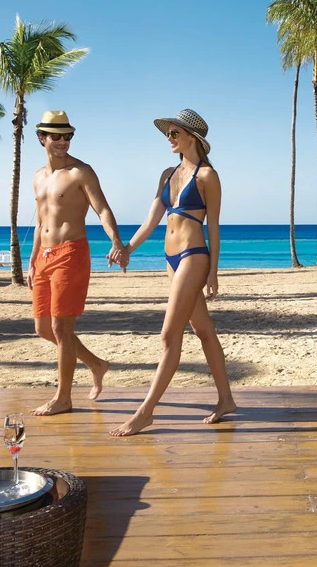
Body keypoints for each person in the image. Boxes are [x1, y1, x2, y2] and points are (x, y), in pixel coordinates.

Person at [109, 108, 236, 436]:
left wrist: (214, 272)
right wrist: (126, 249)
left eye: (174, 133)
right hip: (170, 258)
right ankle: (226, 400)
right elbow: (151, 219)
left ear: (192, 138)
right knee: (204, 331)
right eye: (168, 133)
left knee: (169, 336)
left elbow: (215, 227)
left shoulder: (208, 177)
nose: (169, 138)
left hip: (194, 256)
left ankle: (145, 411)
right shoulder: (167, 174)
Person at [29, 110, 128, 416]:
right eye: (56, 136)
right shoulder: (37, 176)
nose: (62, 142)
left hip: (71, 253)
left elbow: (103, 210)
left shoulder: (81, 172)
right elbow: (41, 221)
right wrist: (31, 260)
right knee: (43, 328)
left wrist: (116, 241)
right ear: (42, 138)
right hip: (43, 256)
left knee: (60, 327)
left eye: (67, 136)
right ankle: (97, 364)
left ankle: (63, 398)